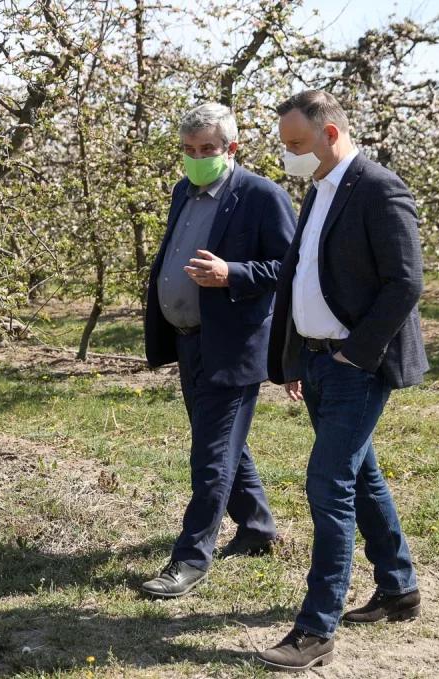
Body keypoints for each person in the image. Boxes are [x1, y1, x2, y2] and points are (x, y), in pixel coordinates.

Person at [257, 90, 428, 671]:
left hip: (356, 367)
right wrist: (296, 356)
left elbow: (405, 282)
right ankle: (399, 588)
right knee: (364, 476)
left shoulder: (379, 188)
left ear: (330, 134)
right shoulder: (317, 190)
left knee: (329, 485)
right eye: (286, 148)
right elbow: (303, 275)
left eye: (297, 145)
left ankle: (315, 629)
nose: (290, 158)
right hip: (319, 363)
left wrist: (355, 354)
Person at [139, 102, 295, 598]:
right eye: (188, 150)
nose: (197, 157)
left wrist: (234, 273)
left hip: (234, 345)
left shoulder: (261, 196)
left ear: (232, 148)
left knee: (210, 455)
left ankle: (190, 558)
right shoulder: (183, 190)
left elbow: (289, 268)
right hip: (190, 341)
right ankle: (257, 527)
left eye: (207, 149)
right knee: (223, 443)